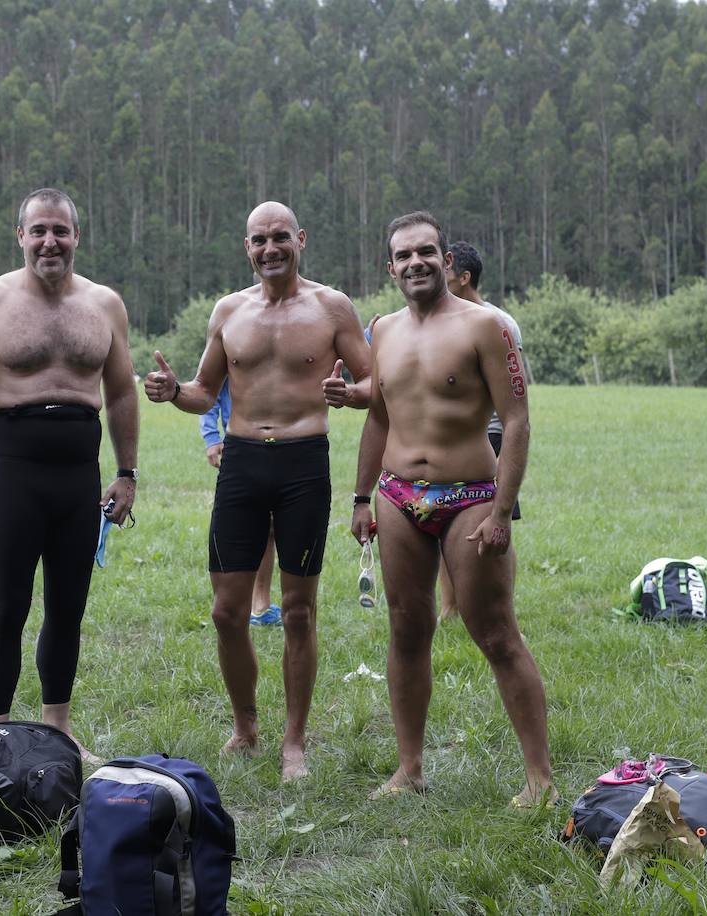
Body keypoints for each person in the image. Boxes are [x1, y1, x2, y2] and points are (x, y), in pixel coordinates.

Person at [145, 201, 371, 781]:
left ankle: (294, 739)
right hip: (242, 463)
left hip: (303, 464)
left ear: (301, 239)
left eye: (279, 238)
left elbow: (375, 381)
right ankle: (245, 725)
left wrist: (352, 394)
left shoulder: (331, 307)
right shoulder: (229, 311)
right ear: (246, 247)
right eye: (257, 240)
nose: (269, 249)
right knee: (226, 612)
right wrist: (174, 392)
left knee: (298, 611)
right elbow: (204, 390)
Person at [350, 211, 551, 805]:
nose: (416, 262)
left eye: (426, 252)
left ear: (446, 260)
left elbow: (515, 421)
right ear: (390, 267)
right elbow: (379, 417)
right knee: (406, 629)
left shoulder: (486, 327)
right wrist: (361, 498)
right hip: (397, 495)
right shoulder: (382, 330)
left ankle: (539, 778)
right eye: (404, 255)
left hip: (471, 497)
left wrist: (501, 511)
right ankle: (408, 768)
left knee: (496, 634)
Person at [0, 188, 137, 761]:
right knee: (9, 606)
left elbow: (120, 393)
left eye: (61, 231)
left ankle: (57, 730)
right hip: (14, 476)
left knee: (68, 607)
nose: (50, 241)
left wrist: (127, 473)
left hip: (78, 477)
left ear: (76, 236)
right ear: (20, 236)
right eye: (39, 230)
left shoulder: (104, 304)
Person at [439, 241, 524, 624]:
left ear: (464, 277)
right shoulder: (440, 321)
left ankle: (501, 604)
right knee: (444, 521)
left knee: (497, 525)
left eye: (446, 271)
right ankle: (450, 607)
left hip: (491, 436)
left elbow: (511, 396)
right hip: (450, 439)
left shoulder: (499, 324)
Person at [200, 378, 281, 626]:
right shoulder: (231, 338)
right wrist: (212, 437)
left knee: (271, 527)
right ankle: (239, 604)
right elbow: (208, 388)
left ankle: (260, 604)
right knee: (247, 526)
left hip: (288, 445)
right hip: (240, 447)